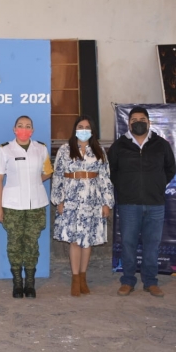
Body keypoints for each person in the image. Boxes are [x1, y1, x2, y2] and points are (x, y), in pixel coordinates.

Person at [108, 106, 176, 298]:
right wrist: (124, 187)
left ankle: (151, 282)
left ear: (148, 122)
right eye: (134, 119)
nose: (138, 122)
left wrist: (157, 184)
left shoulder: (161, 144)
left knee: (152, 245)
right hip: (129, 204)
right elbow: (111, 171)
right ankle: (128, 281)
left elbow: (170, 169)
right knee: (128, 243)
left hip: (155, 204)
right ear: (128, 123)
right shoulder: (119, 146)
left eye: (142, 119)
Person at [51, 115, 114, 297]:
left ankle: (84, 277)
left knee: (88, 241)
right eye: (81, 126)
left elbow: (105, 177)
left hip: (92, 200)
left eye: (87, 126)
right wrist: (59, 200)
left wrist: (106, 202)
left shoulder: (99, 150)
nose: (84, 129)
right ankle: (75, 278)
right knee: (74, 240)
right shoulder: (65, 149)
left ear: (92, 130)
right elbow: (58, 176)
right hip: (71, 199)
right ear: (75, 129)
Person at [0, 116, 53, 298]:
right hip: (12, 205)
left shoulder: (41, 149)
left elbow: (48, 172)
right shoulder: (5, 150)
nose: (24, 129)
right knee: (14, 244)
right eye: (20, 126)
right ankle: (18, 283)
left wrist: (34, 181)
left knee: (31, 244)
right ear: (14, 129)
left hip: (36, 204)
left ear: (32, 131)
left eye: (28, 126)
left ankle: (30, 283)